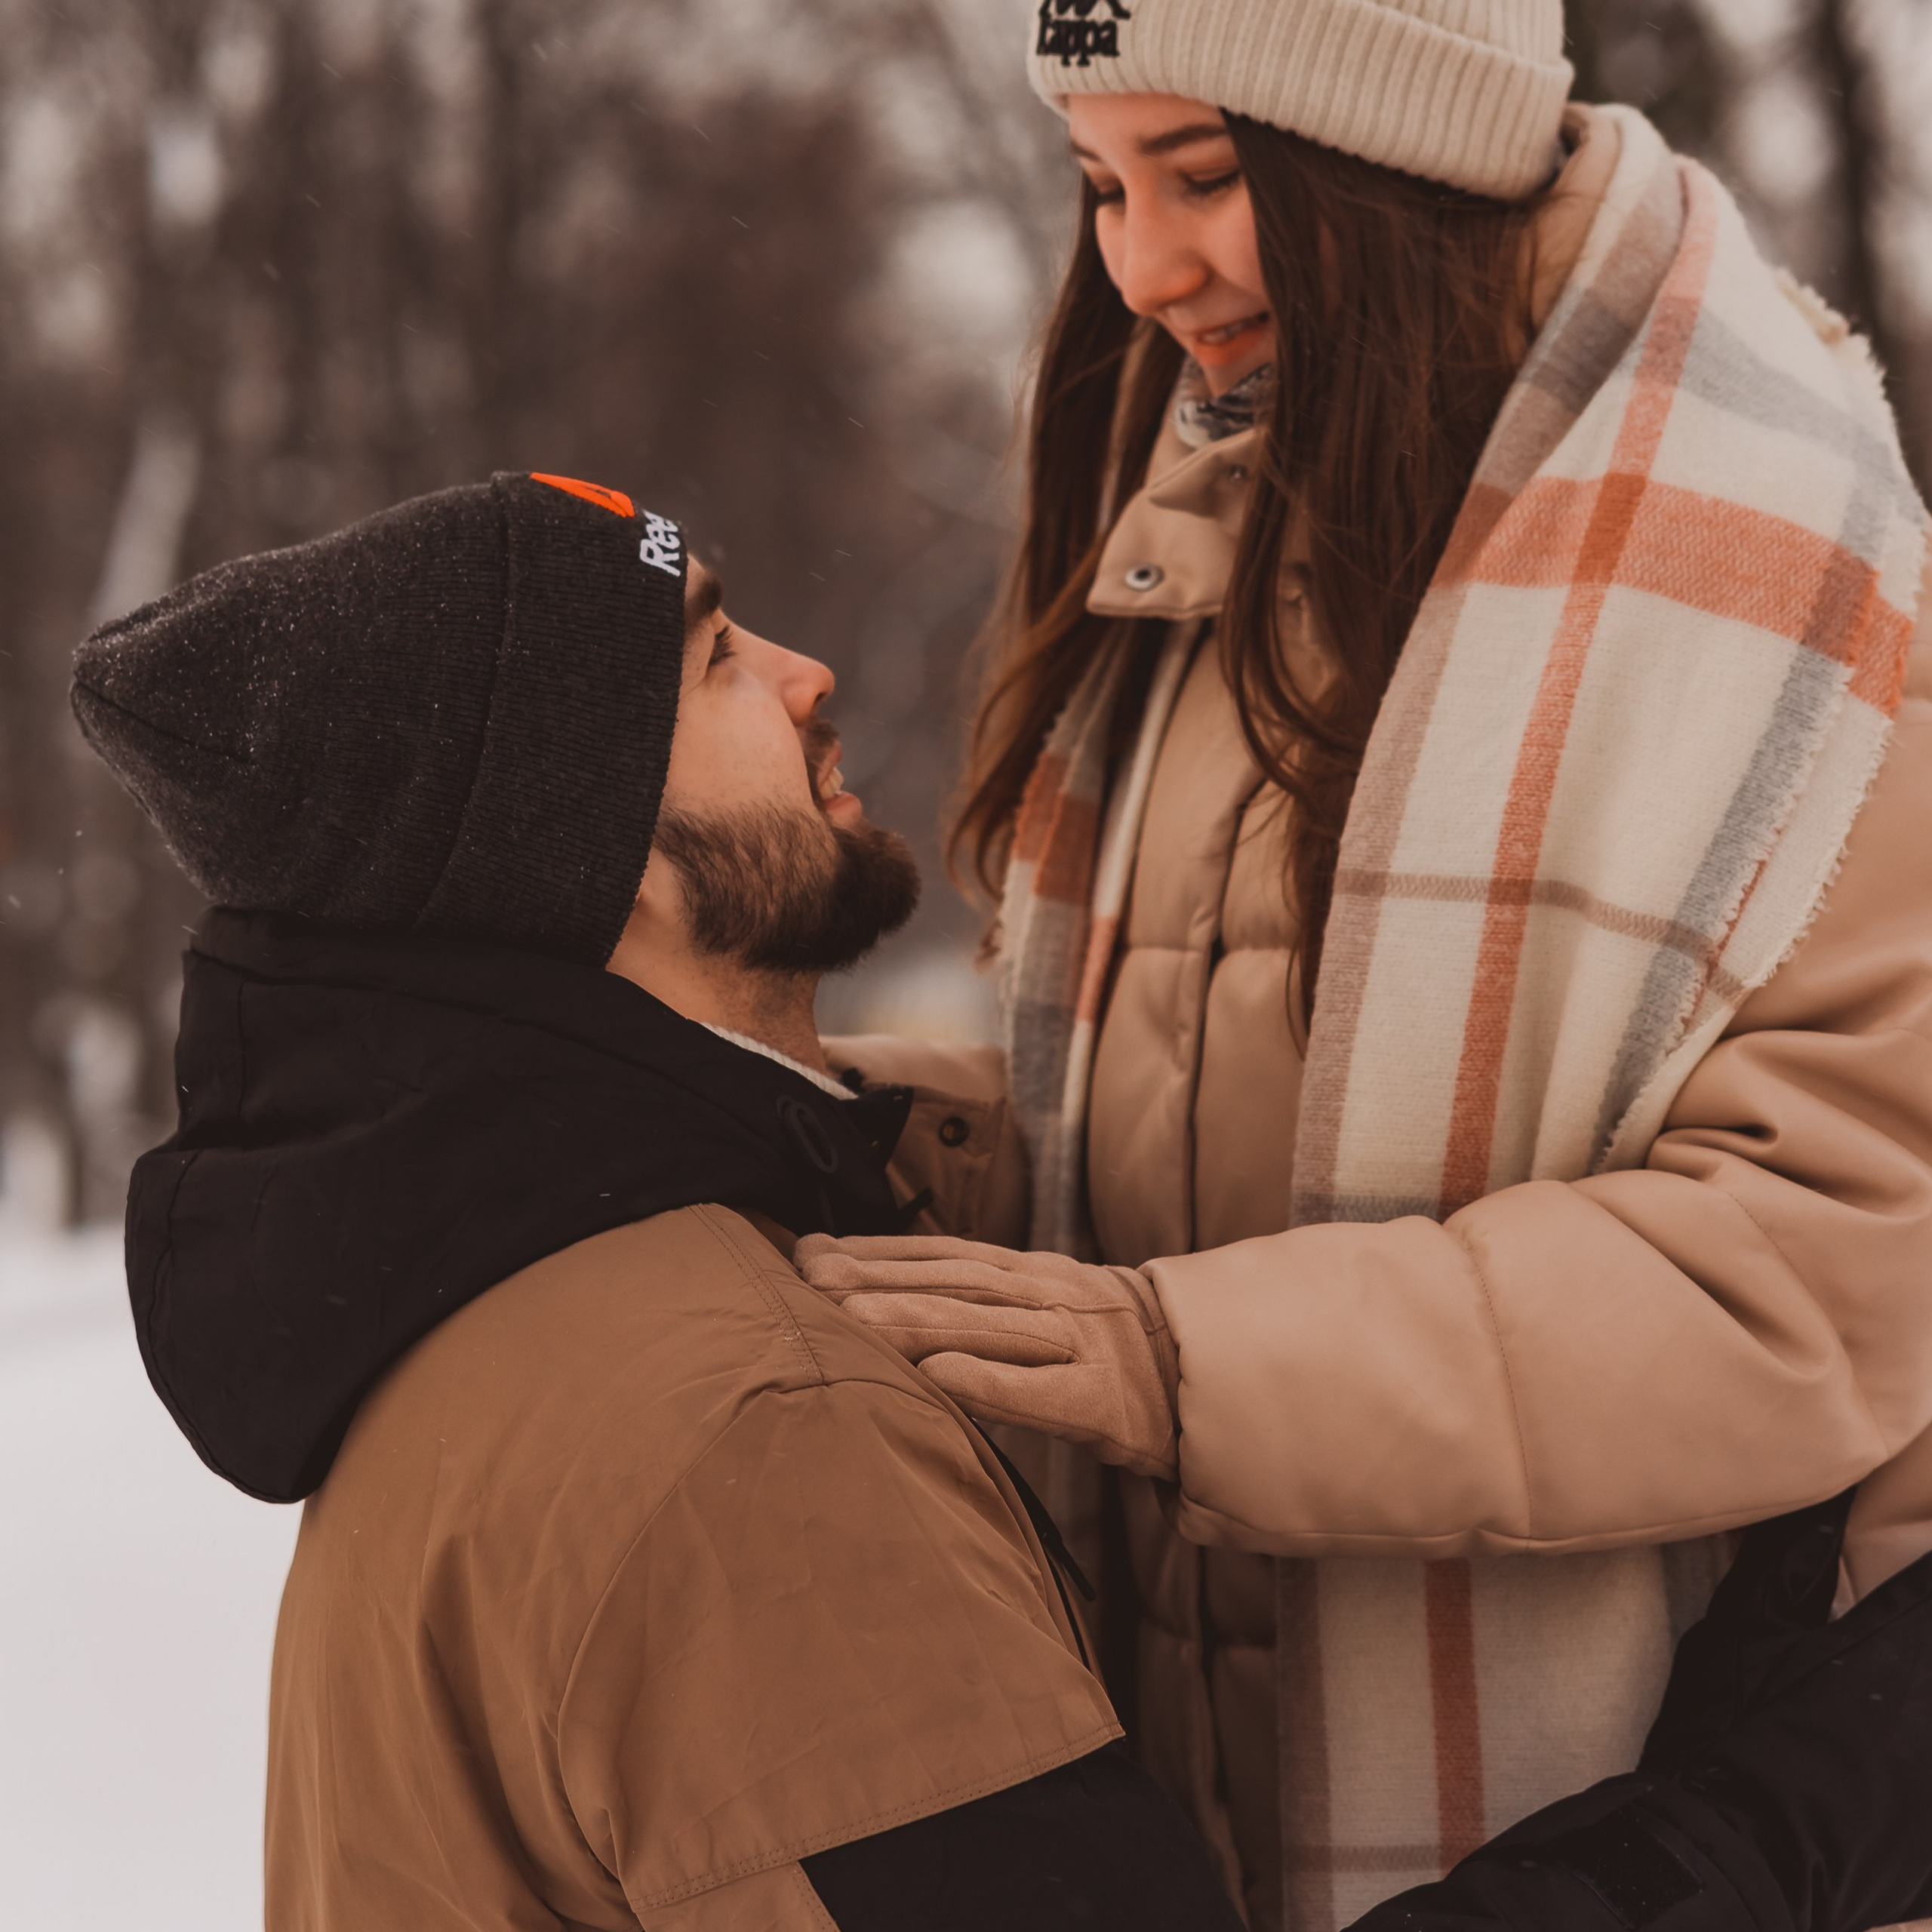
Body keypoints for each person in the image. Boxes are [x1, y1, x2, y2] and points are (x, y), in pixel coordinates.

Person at [798, 4, 1932, 1930]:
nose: (1140, 266)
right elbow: (1213, 1073)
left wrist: (1194, 1367)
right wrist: (862, 1138)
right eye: (1097, 185)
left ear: (1399, 153)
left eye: (1206, 175)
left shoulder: (1777, 568)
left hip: (1638, 1822)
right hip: (1213, 1768)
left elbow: (1830, 1257)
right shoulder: (1227, 510)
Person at [69, 472, 1251, 1932]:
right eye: (715, 661)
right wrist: (1602, 1884)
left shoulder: (470, 1295)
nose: (806, 674)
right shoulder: (751, 1433)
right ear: (584, 851)